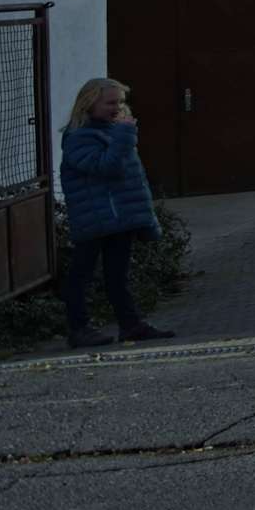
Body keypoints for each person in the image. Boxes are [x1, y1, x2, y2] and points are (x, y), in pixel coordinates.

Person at [57, 77, 174, 348]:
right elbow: (107, 167)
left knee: (117, 276)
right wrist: (124, 135)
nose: (117, 108)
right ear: (89, 104)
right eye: (110, 103)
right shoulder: (79, 137)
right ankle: (79, 329)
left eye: (120, 102)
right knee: (81, 274)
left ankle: (131, 325)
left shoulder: (112, 131)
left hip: (118, 218)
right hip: (94, 218)